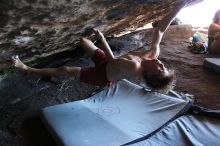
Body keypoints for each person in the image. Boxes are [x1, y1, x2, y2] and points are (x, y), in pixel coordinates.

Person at [12, 0, 192, 91]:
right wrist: (180, 5)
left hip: (102, 75)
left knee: (67, 69)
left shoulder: (135, 66)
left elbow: (113, 60)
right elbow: (159, 31)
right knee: (83, 41)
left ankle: (27, 69)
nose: (161, 64)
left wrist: (101, 37)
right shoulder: (153, 53)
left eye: (161, 69)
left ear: (151, 75)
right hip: (108, 63)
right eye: (164, 66)